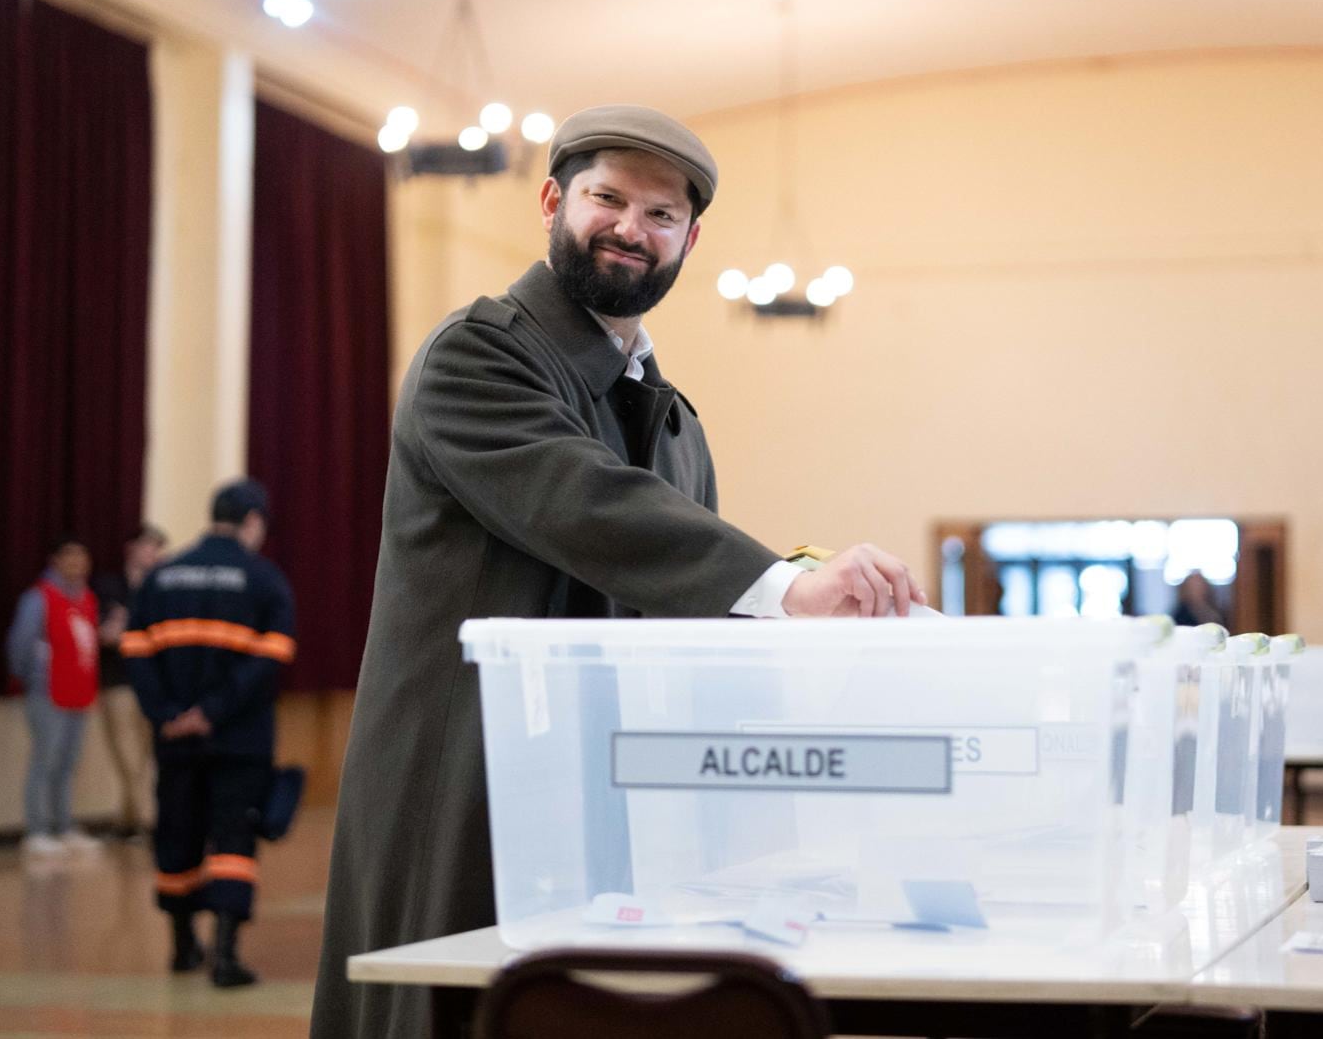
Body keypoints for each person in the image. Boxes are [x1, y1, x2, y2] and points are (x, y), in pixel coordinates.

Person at [311, 104, 927, 1039]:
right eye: (608, 199)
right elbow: (582, 500)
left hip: (607, 794)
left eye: (660, 214)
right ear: (555, 200)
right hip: (467, 775)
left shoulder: (672, 417)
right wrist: (789, 586)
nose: (631, 229)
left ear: (689, 238)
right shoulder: (478, 356)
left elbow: (686, 600)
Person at [123, 480, 295, 988]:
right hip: (239, 739)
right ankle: (225, 954)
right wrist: (213, 711)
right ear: (252, 521)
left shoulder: (162, 576)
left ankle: (180, 945)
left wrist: (169, 714)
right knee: (233, 837)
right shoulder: (264, 580)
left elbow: (135, 650)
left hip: (175, 739)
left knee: (177, 830)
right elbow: (273, 658)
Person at [4, 535, 102, 858]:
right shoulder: (38, 599)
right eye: (70, 557)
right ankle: (37, 830)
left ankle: (64, 826)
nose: (77, 564)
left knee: (68, 762)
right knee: (44, 761)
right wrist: (33, 678)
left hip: (79, 691)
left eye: (82, 557)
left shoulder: (87, 598)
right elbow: (20, 644)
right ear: (55, 561)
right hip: (48, 692)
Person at [91, 522, 168, 834]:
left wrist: (129, 629)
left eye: (157, 548)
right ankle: (148, 822)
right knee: (125, 752)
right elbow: (104, 633)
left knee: (150, 755)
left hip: (153, 681)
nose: (153, 554)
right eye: (148, 546)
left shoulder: (160, 589)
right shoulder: (108, 586)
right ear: (131, 549)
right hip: (118, 680)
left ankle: (128, 821)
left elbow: (161, 634)